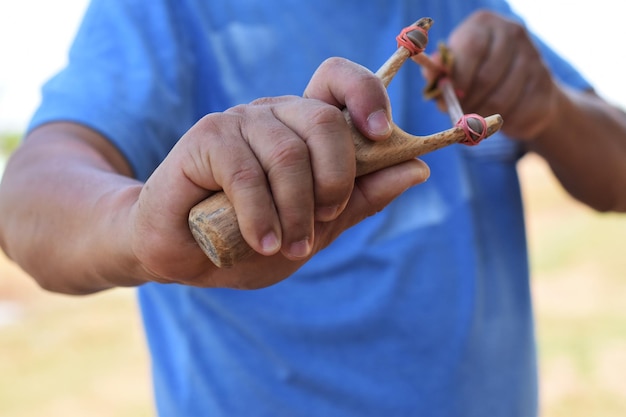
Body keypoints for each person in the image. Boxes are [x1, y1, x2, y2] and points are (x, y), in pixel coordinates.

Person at [1, 1, 626, 416]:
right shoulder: (162, 12)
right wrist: (136, 229)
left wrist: (553, 109)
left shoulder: (461, 3)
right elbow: (26, 202)